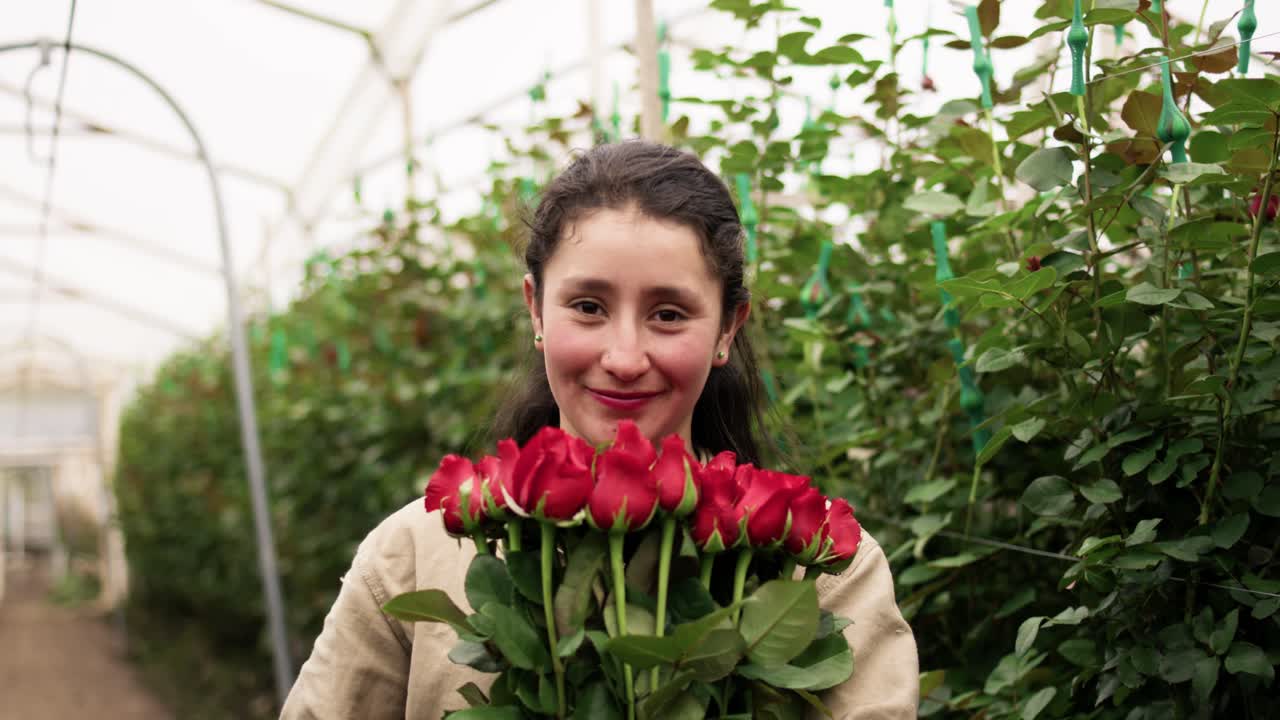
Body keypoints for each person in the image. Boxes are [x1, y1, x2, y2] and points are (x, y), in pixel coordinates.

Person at [280, 141, 919, 719]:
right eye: (588, 306)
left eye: (669, 314)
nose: (623, 356)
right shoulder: (415, 556)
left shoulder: (823, 570)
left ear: (728, 327)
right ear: (535, 306)